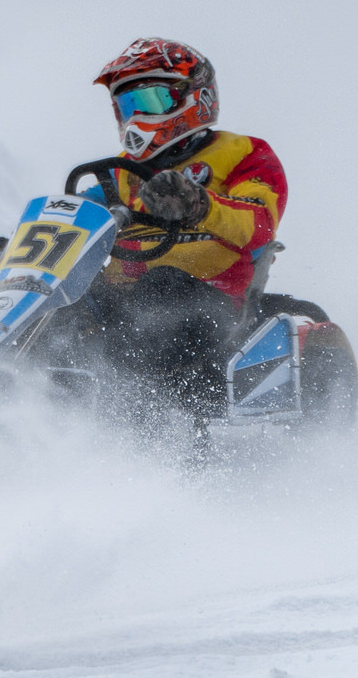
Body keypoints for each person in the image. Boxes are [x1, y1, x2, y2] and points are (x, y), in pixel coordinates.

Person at [66, 38, 286, 420]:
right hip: (121, 302)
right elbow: (79, 213)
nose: (136, 118)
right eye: (127, 105)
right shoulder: (116, 173)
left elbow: (258, 224)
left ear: (194, 98)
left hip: (208, 301)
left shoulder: (245, 154)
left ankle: (156, 422)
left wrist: (198, 205)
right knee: (40, 292)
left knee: (163, 287)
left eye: (149, 102)